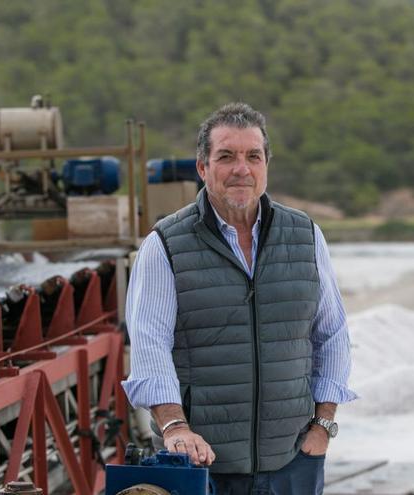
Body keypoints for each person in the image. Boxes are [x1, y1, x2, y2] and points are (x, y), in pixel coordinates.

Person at [122, 102, 357, 494]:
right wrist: (175, 427)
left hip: (293, 462)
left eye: (253, 156)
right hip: (200, 463)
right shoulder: (164, 244)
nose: (241, 169)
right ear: (203, 168)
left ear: (266, 165)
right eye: (226, 156)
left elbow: (331, 334)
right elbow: (149, 346)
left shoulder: (306, 236)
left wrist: (323, 426)